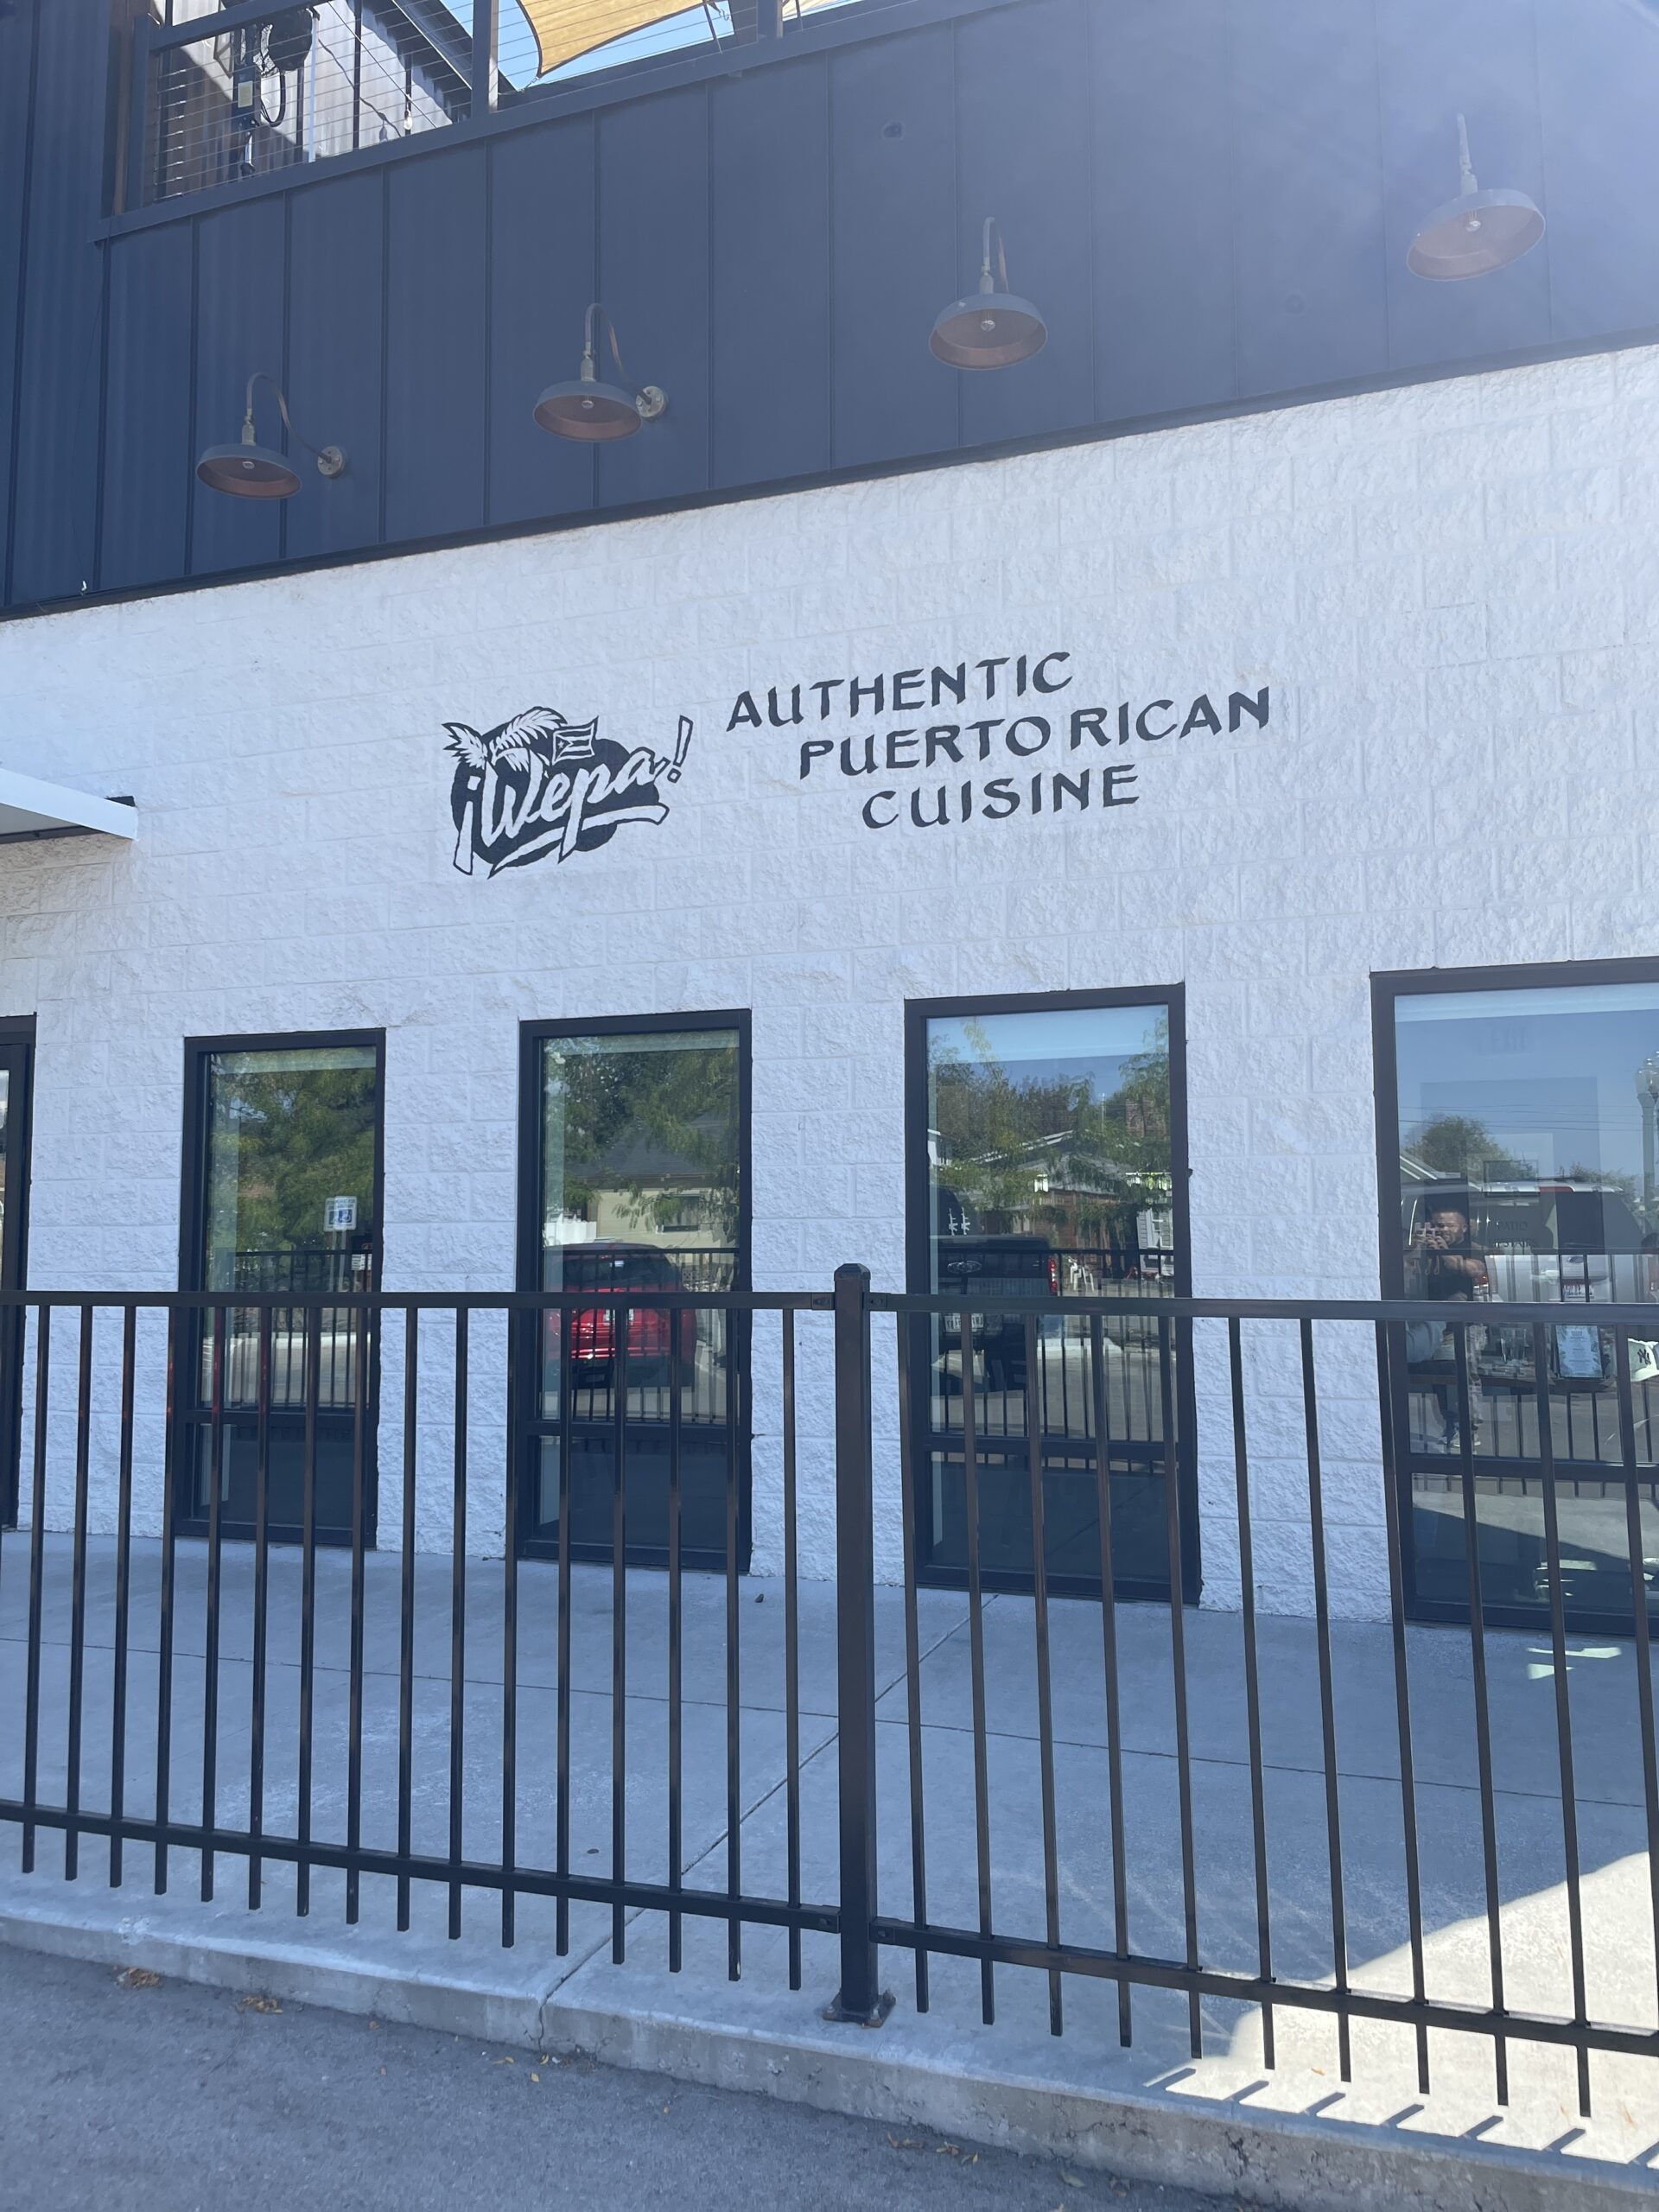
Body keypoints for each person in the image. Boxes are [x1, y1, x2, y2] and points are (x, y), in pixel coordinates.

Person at [1405, 1203, 1489, 1452]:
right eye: (1436, 1224)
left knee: (1464, 1378)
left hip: (1462, 1327)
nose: (1441, 1230)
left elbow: (1474, 1269)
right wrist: (1417, 1247)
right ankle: (1450, 1425)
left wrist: (1443, 1254)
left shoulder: (1472, 1249)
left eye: (1447, 1225)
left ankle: (1469, 1432)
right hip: (1431, 1325)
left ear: (1463, 1227)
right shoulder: (1423, 1250)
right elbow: (1402, 1273)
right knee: (1441, 1382)